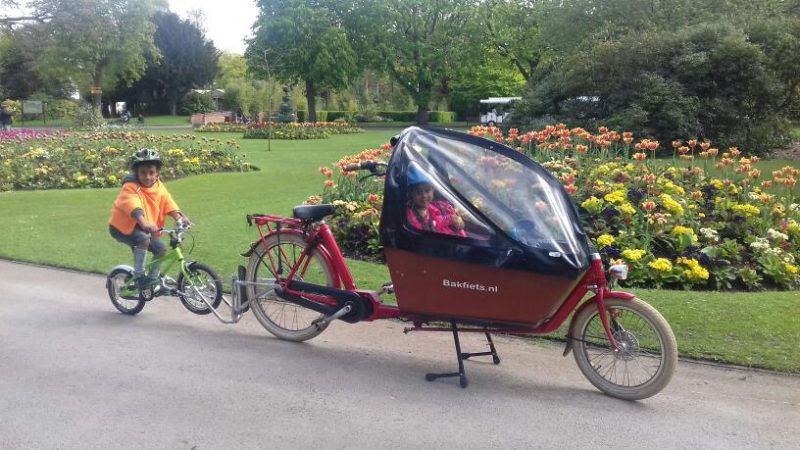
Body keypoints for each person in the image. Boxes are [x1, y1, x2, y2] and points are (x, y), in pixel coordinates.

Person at [108, 148, 191, 291]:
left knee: (161, 249)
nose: (148, 177)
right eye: (143, 173)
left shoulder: (158, 186)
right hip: (122, 227)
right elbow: (131, 204)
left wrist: (179, 217)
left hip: (141, 227)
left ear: (157, 172)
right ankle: (139, 277)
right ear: (136, 173)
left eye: (151, 173)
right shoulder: (130, 186)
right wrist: (144, 222)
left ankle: (153, 281)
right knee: (144, 240)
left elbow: (167, 202)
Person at [405, 165, 466, 237]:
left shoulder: (437, 207)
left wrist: (458, 223)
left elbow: (459, 226)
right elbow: (422, 231)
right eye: (418, 192)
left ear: (433, 190)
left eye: (427, 191)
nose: (424, 195)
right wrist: (448, 219)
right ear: (411, 194)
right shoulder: (410, 213)